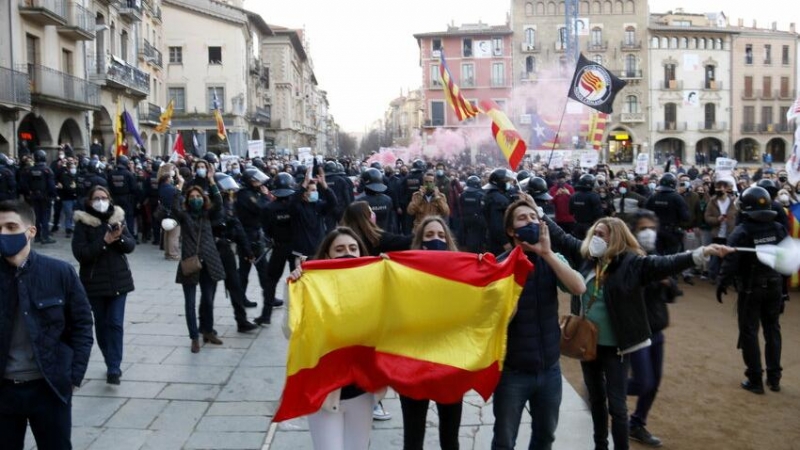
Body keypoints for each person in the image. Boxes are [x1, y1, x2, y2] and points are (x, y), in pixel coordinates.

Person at [548, 217, 731, 450]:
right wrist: (537, 211)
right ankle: (600, 445)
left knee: (617, 405)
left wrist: (701, 252)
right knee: (596, 401)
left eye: (602, 234)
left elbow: (665, 263)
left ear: (616, 238)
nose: (596, 238)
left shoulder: (632, 264)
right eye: (595, 233)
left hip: (617, 347)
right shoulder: (586, 257)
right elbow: (562, 238)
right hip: (588, 345)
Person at [491, 199, 586, 450]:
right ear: (511, 230)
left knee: (545, 438)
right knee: (504, 441)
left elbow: (578, 287)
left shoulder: (551, 260)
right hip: (512, 372)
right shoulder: (500, 265)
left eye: (534, 218)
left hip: (550, 370)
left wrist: (547, 253)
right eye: (522, 218)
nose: (530, 222)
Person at [0, 199, 94, 449]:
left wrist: (73, 375)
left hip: (49, 386)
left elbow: (83, 324)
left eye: (11, 227)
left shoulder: (59, 272)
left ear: (30, 231)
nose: (3, 234)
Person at [286, 227, 381, 450]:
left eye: (352, 248)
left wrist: (390, 273)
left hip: (361, 393)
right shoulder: (311, 286)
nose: (347, 253)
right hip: (323, 393)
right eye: (339, 249)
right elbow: (291, 331)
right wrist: (293, 290)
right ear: (327, 256)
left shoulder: (374, 286)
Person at [400, 215, 468, 449]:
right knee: (413, 437)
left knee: (450, 438)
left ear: (448, 240)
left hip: (449, 365)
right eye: (429, 235)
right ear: (420, 241)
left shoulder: (463, 272)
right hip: (413, 365)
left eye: (440, 235)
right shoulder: (403, 273)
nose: (436, 239)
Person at [717, 186, 787, 394]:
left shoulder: (742, 231)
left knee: (749, 331)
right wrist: (783, 290)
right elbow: (786, 259)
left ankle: (755, 378)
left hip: (751, 288)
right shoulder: (778, 228)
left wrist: (722, 283)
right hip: (774, 284)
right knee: (772, 329)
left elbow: (730, 262)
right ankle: (774, 378)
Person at [72, 186, 136, 385]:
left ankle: (114, 367)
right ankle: (110, 359)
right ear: (90, 201)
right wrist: (104, 241)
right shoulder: (83, 224)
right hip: (94, 283)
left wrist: (119, 238)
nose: (101, 201)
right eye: (97, 198)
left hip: (119, 281)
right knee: (101, 324)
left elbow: (130, 246)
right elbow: (81, 254)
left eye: (104, 197)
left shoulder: (117, 218)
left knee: (115, 323)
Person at [626, 211, 679, 448]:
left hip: (656, 327)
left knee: (654, 382)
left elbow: (671, 294)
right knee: (642, 382)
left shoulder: (658, 255)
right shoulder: (625, 258)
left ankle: (637, 423)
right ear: (633, 230)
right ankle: (604, 388)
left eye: (652, 228)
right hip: (636, 330)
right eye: (643, 228)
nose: (648, 232)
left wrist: (668, 282)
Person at [175, 185, 226, 353]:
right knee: (189, 303)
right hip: (190, 262)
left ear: (203, 199)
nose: (195, 199)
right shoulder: (184, 216)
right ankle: (194, 337)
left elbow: (218, 202)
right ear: (188, 200)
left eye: (198, 196)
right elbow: (175, 208)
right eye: (192, 196)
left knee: (208, 300)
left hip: (209, 262)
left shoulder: (207, 215)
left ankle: (208, 331)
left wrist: (211, 182)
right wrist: (179, 188)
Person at [339, 201, 411, 257]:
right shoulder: (377, 237)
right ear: (366, 217)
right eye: (370, 212)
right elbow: (406, 242)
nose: (373, 214)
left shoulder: (341, 237)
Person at [157, 163, 183, 260]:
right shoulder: (169, 188)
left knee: (168, 234)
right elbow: (178, 197)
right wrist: (180, 184)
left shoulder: (162, 185)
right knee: (174, 235)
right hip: (173, 212)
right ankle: (173, 254)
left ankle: (168, 253)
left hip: (166, 212)